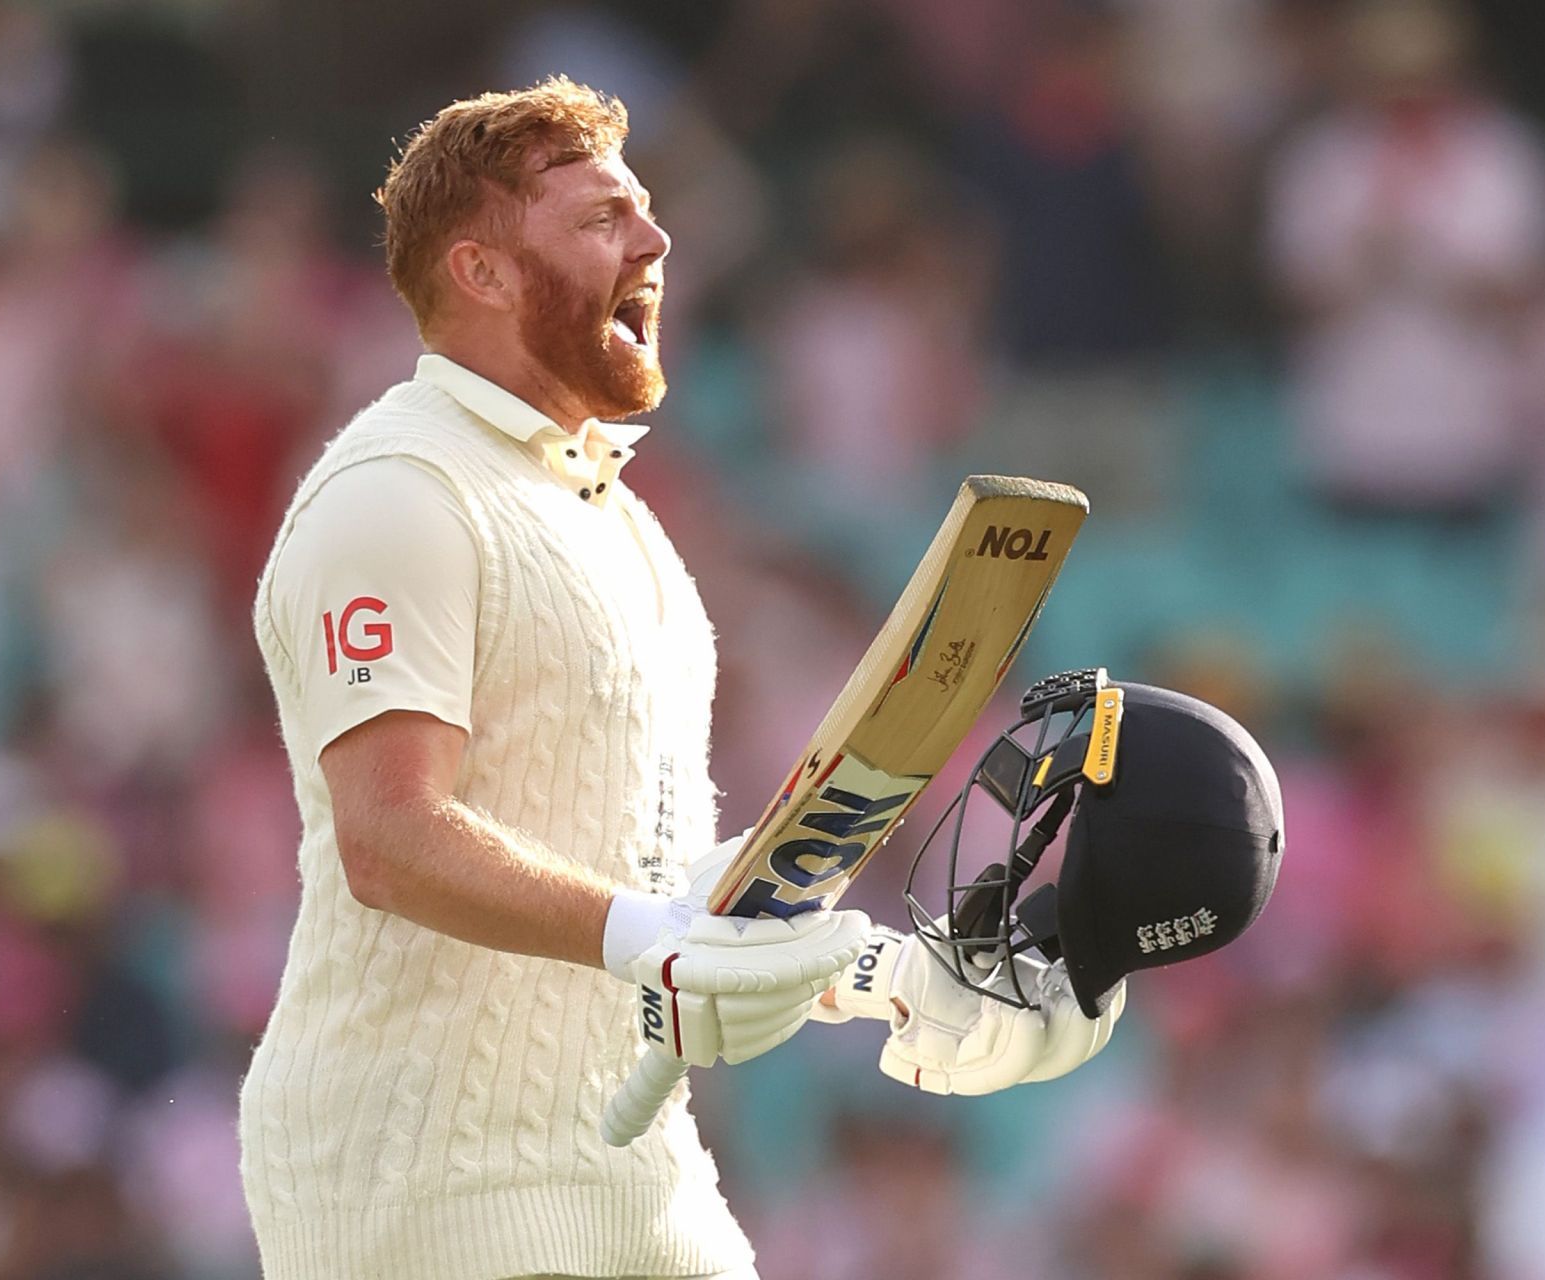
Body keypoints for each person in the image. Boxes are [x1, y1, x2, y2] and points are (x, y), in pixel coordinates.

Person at [239, 80, 1164, 1280]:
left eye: (648, 213)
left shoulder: (626, 530)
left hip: (634, 1175)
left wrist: (900, 980)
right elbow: (389, 835)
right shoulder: (397, 493)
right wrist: (653, 942)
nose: (658, 242)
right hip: (427, 1190)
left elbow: (665, 887)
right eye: (600, 219)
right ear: (483, 272)